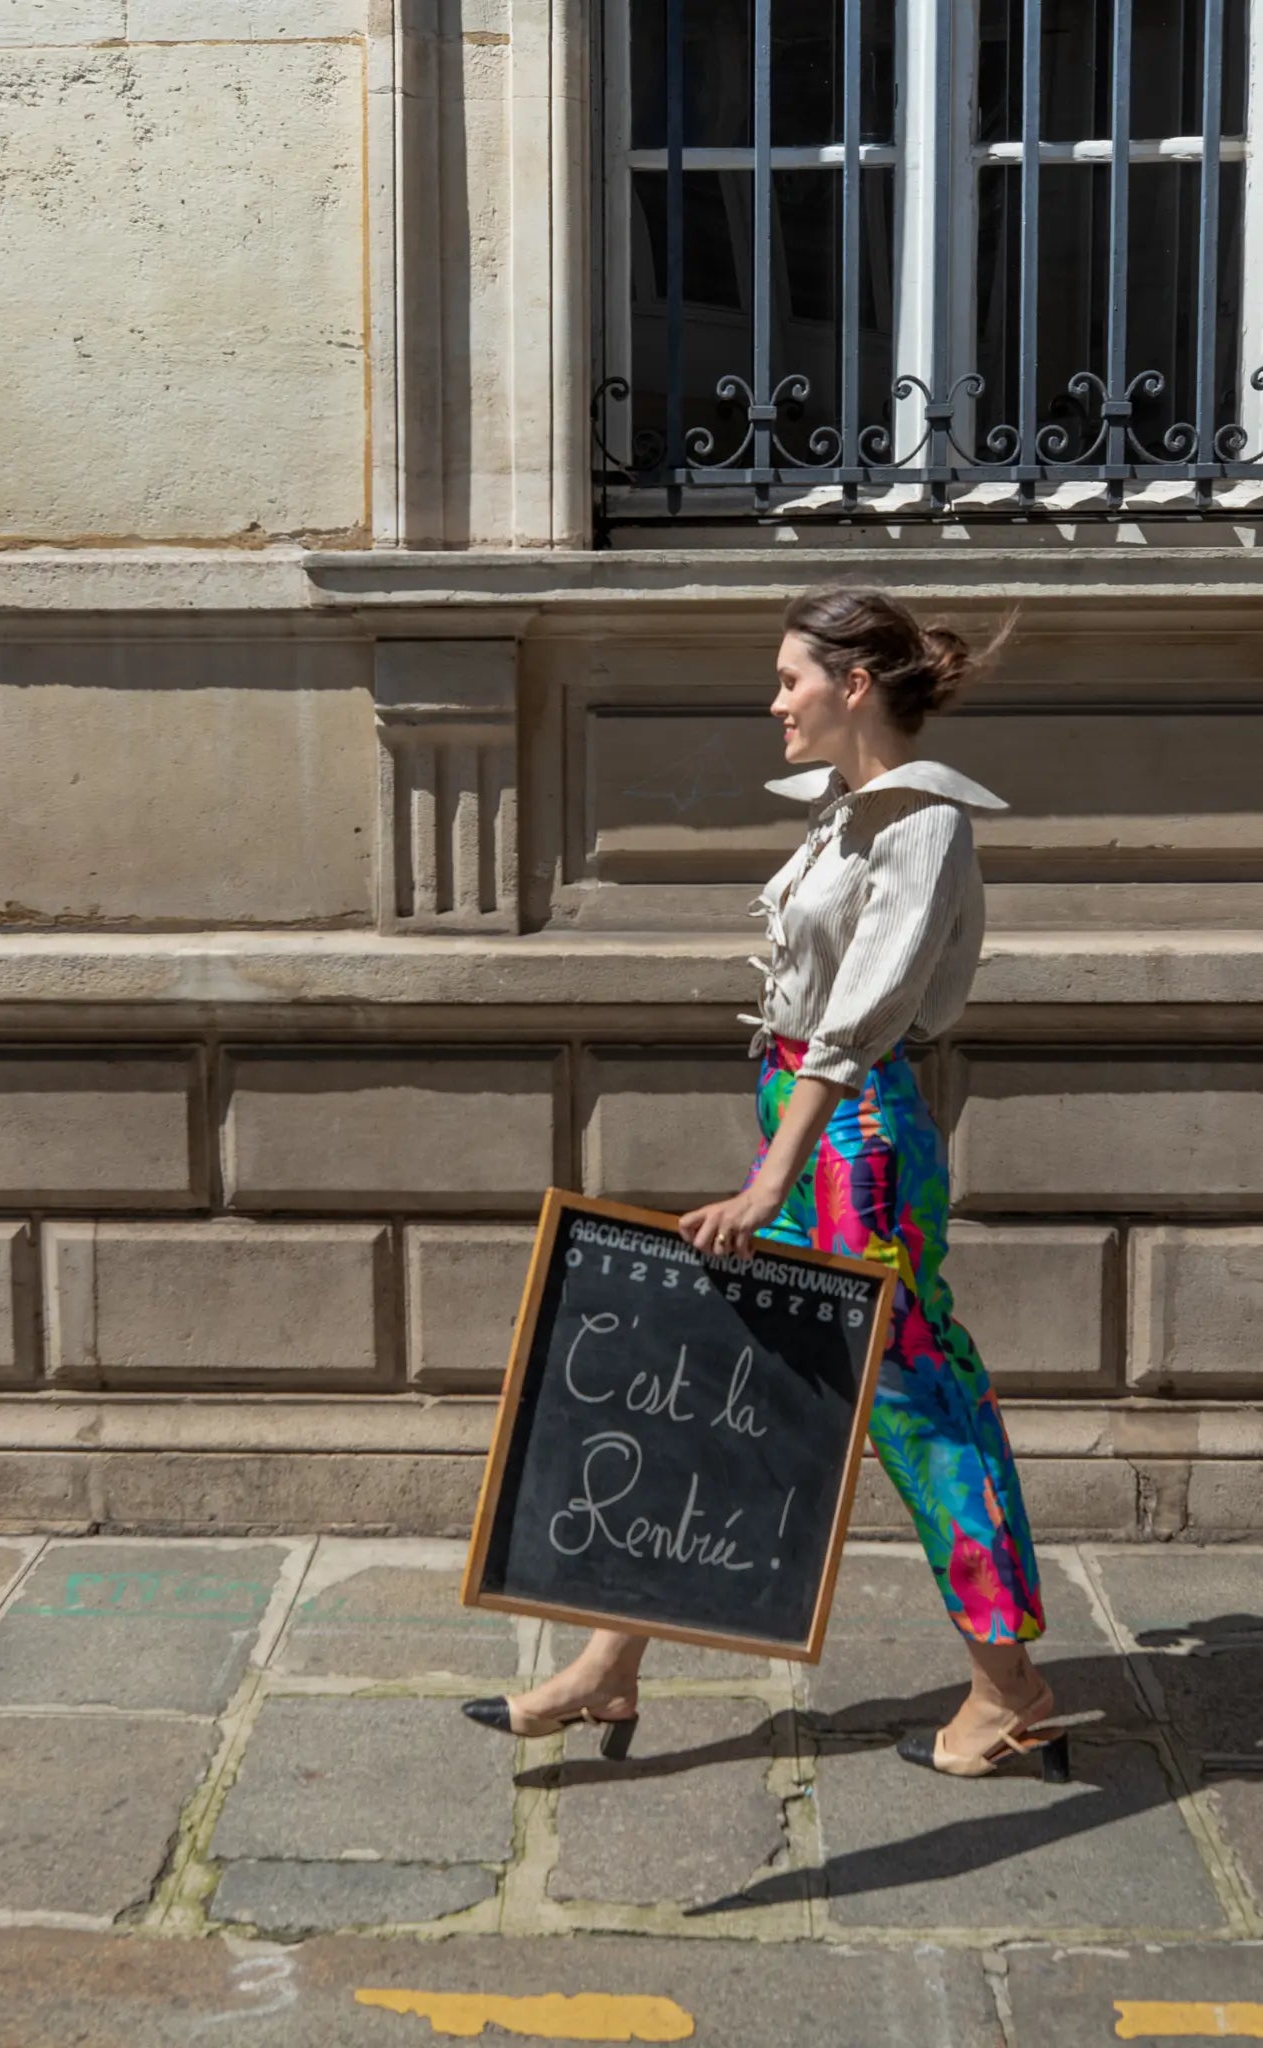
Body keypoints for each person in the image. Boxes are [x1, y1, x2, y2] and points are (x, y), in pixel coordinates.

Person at [464, 587, 1064, 1782]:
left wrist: (771, 1175)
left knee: (914, 1405)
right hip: (808, 1128)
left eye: (791, 676)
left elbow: (863, 1018)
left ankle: (1010, 1686)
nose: (774, 699)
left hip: (853, 1143)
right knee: (719, 1375)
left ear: (853, 685)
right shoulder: (849, 812)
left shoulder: (922, 823)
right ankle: (609, 1663)